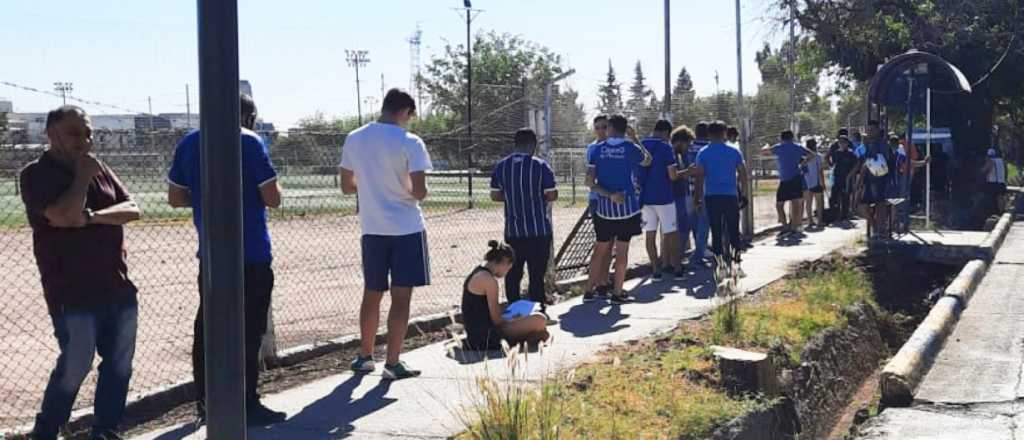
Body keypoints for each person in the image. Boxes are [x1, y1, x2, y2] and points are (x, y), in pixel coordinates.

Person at [21, 106, 142, 440]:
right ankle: (46, 430)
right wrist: (83, 178)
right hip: (71, 290)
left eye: (87, 132)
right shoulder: (36, 174)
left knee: (119, 365)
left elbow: (132, 209)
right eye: (74, 133)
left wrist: (90, 217)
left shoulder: (100, 169)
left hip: (116, 285)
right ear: (51, 134)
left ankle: (105, 429)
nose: (84, 140)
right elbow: (61, 216)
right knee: (76, 362)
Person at [167, 93, 287, 424]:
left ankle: (206, 402)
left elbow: (175, 197)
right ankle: (246, 401)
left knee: (208, 328)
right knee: (249, 332)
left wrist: (208, 198)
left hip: (212, 255)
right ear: (248, 116)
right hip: (251, 254)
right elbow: (272, 197)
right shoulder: (250, 141)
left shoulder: (190, 142)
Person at [340, 88, 431, 380]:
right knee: (401, 295)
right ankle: (392, 362)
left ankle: (365, 356)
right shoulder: (410, 142)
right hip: (406, 228)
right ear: (404, 111)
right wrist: (401, 189)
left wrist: (372, 187)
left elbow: (346, 185)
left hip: (373, 228)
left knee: (372, 292)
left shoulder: (355, 138)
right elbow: (419, 191)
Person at [583, 114, 652, 304]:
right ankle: (617, 292)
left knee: (600, 248)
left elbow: (589, 182)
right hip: (627, 208)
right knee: (622, 251)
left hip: (604, 210)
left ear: (610, 128)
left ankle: (589, 290)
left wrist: (608, 194)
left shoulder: (597, 150)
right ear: (625, 130)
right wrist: (635, 138)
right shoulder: (630, 148)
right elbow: (647, 160)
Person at [490, 128, 558, 309]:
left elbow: (495, 196)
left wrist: (513, 196)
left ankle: (513, 308)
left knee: (512, 272)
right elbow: (551, 195)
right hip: (538, 230)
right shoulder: (540, 166)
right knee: (536, 273)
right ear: (533, 145)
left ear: (515, 143)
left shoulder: (501, 166)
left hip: (513, 230)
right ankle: (537, 309)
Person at [461, 241, 550, 351]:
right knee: (540, 319)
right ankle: (525, 338)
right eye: (508, 268)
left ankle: (526, 338)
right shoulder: (489, 281)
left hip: (479, 331)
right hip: (485, 335)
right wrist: (517, 317)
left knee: (540, 328)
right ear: (504, 262)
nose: (507, 272)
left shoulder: (479, 272)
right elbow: (497, 320)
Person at [693, 120, 749, 261]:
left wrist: (697, 198)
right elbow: (743, 173)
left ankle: (719, 262)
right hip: (730, 195)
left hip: (711, 195)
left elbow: (699, 177)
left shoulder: (703, 153)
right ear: (724, 133)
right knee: (733, 229)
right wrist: (743, 193)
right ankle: (735, 258)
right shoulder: (734, 151)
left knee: (716, 230)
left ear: (709, 135)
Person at [639, 119, 685, 280]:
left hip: (645, 198)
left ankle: (655, 270)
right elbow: (672, 175)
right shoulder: (666, 147)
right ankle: (678, 269)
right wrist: (686, 172)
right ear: (667, 133)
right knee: (671, 234)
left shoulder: (641, 145)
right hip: (664, 197)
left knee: (649, 234)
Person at [762, 130, 811, 236]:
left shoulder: (779, 147)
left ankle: (785, 227)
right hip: (795, 178)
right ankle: (794, 227)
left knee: (779, 204)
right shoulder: (798, 147)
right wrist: (802, 163)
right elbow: (811, 154)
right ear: (792, 137)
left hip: (785, 180)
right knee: (795, 203)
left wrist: (767, 145)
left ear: (781, 138)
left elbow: (764, 152)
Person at [585, 115, 613, 295]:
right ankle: (596, 282)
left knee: (611, 244)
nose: (601, 131)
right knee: (602, 243)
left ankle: (604, 279)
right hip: (598, 200)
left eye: (604, 127)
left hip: (613, 202)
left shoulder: (616, 147)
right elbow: (590, 179)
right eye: (597, 127)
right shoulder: (593, 149)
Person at [855, 121, 895, 238]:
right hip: (868, 180)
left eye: (872, 129)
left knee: (880, 205)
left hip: (880, 180)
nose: (869, 132)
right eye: (868, 129)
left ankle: (881, 230)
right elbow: (863, 162)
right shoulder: (866, 144)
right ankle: (875, 226)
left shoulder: (883, 145)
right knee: (861, 207)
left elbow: (885, 162)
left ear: (877, 130)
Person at [669, 125, 700, 266]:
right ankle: (675, 261)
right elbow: (672, 176)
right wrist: (688, 172)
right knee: (680, 229)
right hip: (676, 195)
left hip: (684, 193)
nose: (689, 147)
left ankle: (678, 258)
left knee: (685, 227)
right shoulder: (671, 153)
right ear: (680, 141)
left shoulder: (682, 155)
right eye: (687, 143)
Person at [686, 121, 712, 265]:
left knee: (694, 220)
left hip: (688, 187)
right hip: (705, 188)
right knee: (704, 221)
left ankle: (698, 247)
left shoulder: (689, 147)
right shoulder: (708, 148)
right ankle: (700, 250)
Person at [828, 134, 859, 222]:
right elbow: (832, 162)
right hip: (837, 177)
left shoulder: (851, 153)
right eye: (839, 142)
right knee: (834, 196)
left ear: (846, 143)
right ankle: (834, 214)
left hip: (846, 178)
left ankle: (844, 215)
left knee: (845, 197)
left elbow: (857, 164)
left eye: (843, 142)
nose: (841, 144)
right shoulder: (836, 152)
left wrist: (850, 175)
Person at [802, 138, 826, 229]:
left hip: (807, 181)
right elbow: (820, 171)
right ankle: (819, 221)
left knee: (808, 202)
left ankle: (810, 221)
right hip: (816, 181)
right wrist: (822, 182)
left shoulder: (804, 157)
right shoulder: (818, 156)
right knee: (819, 202)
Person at [984, 148, 1009, 213]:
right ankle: (1002, 210)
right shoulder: (1002, 161)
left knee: (993, 197)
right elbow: (1006, 170)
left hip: (993, 182)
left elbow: (987, 169)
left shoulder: (990, 161)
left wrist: (981, 172)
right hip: (1001, 181)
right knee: (1001, 196)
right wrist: (1005, 178)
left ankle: (995, 211)